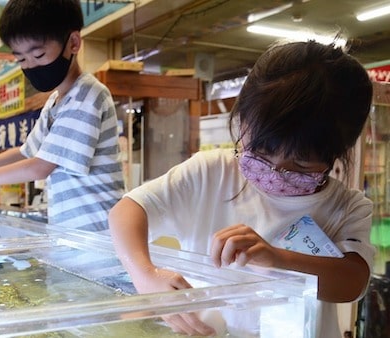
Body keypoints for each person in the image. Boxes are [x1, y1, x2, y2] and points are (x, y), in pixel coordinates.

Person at [108, 40, 374, 337]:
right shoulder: (211, 172)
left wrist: (277, 259)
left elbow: (353, 282)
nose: (276, 168)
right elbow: (127, 211)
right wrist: (145, 275)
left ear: (338, 151)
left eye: (299, 163)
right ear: (242, 118)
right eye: (261, 151)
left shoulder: (347, 206)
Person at [0, 0, 124, 233]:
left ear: (73, 43)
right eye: (22, 59)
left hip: (101, 238)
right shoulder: (55, 101)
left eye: (39, 54)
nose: (31, 66)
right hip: (72, 237)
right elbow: (26, 151)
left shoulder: (88, 94)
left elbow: (40, 167)